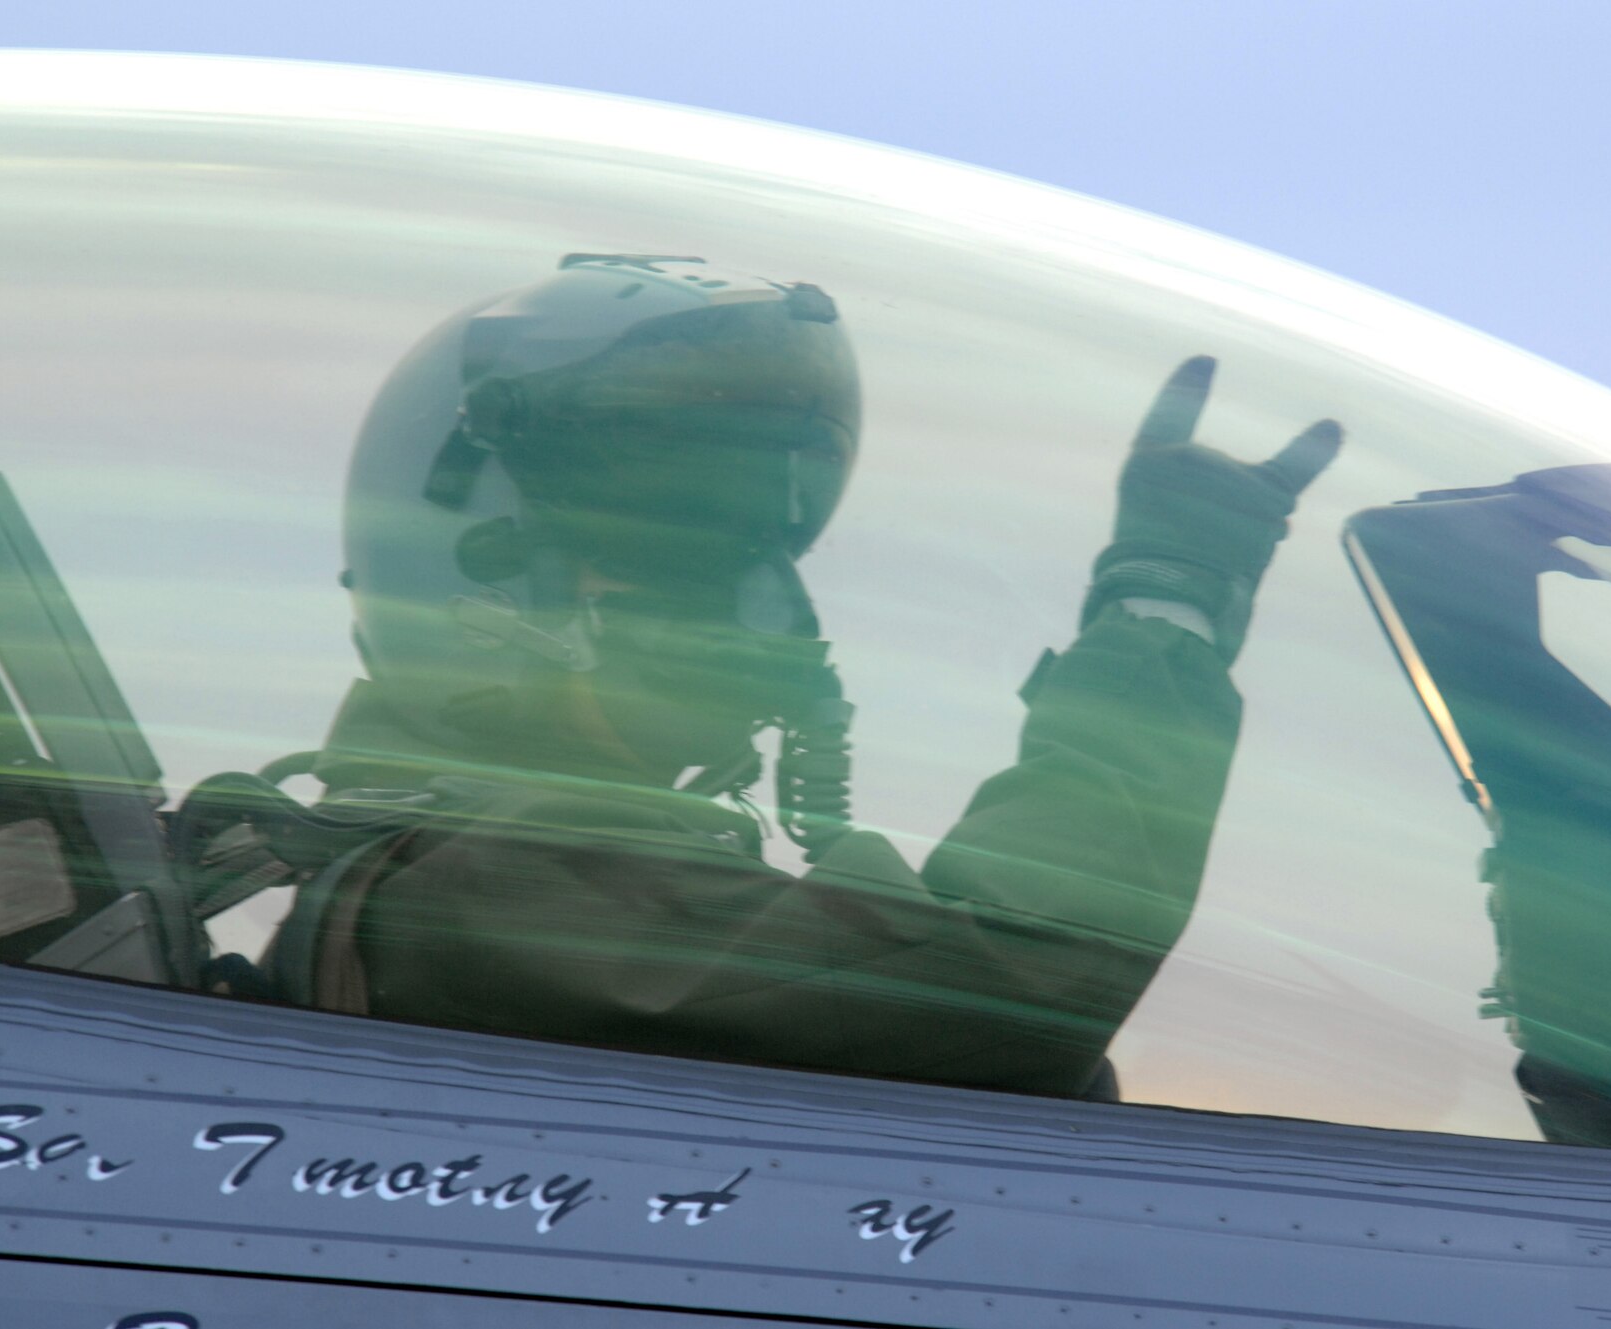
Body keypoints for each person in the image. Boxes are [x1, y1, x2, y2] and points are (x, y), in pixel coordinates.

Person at [204, 254, 1339, 1098]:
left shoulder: (548, 877)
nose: (744, 614)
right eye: (674, 555)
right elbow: (1015, 973)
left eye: (749, 561)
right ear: (475, 582)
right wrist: (1161, 608)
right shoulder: (488, 894)